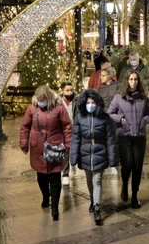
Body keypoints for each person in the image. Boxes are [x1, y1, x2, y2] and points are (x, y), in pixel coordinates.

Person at [19, 85, 72, 220]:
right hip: (38, 149)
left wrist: (68, 144)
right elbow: (25, 126)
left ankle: (54, 206)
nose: (40, 102)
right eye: (38, 99)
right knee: (41, 176)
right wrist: (24, 142)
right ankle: (45, 196)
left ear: (48, 98)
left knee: (55, 177)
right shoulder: (32, 109)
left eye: (43, 99)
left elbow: (67, 126)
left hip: (55, 148)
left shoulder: (59, 108)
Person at [70, 89, 117, 226]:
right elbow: (75, 138)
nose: (91, 105)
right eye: (88, 102)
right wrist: (73, 157)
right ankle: (92, 198)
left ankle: (97, 207)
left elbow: (110, 139)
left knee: (97, 180)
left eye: (93, 102)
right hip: (85, 152)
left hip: (99, 152)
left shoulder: (105, 118)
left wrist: (112, 158)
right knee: (89, 180)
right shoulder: (79, 118)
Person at [108, 71, 149, 209]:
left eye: (135, 79)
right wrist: (121, 119)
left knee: (137, 166)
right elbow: (111, 113)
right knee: (127, 165)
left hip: (139, 137)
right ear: (126, 81)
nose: (133, 82)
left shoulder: (144, 98)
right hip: (125, 136)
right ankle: (124, 185)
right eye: (130, 79)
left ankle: (135, 194)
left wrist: (144, 120)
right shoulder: (118, 98)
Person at [59, 82, 76, 186]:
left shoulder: (76, 101)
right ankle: (65, 174)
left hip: (75, 129)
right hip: (63, 130)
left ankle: (73, 163)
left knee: (73, 150)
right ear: (62, 91)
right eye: (67, 90)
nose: (70, 92)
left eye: (71, 90)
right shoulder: (58, 102)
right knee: (65, 151)